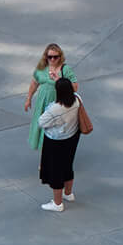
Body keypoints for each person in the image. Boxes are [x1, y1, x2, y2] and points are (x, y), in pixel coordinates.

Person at [37, 78, 85, 212]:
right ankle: (68, 194)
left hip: (56, 142)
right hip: (72, 138)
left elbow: (41, 122)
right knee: (67, 166)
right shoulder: (77, 100)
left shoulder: (55, 108)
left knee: (55, 171)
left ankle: (57, 204)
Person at [24, 44, 72, 155]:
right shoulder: (41, 69)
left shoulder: (65, 70)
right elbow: (34, 84)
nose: (53, 59)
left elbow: (74, 87)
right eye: (50, 57)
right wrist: (29, 99)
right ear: (46, 57)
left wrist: (59, 81)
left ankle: (57, 154)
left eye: (56, 57)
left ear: (60, 56)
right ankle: (45, 153)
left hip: (58, 103)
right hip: (42, 103)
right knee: (43, 126)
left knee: (57, 129)